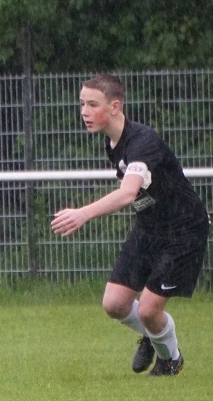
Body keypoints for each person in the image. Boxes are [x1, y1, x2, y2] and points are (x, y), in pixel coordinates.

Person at [51, 73, 208, 376]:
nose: (84, 111)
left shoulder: (142, 141)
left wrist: (83, 213)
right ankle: (152, 335)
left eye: (93, 104)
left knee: (148, 310)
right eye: (82, 104)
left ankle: (170, 360)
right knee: (114, 304)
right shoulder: (113, 142)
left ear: (115, 106)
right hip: (150, 227)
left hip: (183, 231)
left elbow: (127, 194)